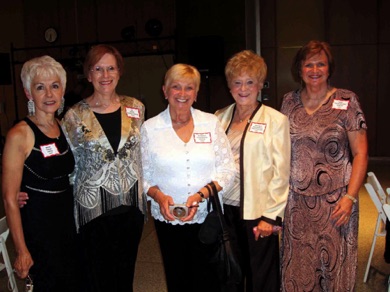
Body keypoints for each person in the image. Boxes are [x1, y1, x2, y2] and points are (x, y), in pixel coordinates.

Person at [280, 40, 368, 291]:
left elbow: (360, 153)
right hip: (296, 202)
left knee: (334, 267)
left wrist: (350, 197)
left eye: (321, 64)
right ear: (300, 69)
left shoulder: (347, 101)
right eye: (309, 64)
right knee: (298, 267)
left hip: (336, 201)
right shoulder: (289, 102)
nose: (315, 70)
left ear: (330, 69)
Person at [141, 63, 236, 292]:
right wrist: (159, 196)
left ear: (196, 93)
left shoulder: (210, 123)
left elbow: (227, 169)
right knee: (177, 278)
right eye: (176, 87)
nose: (182, 94)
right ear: (165, 91)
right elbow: (143, 176)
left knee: (208, 280)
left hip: (206, 218)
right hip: (168, 218)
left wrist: (201, 194)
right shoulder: (150, 128)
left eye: (189, 88)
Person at [61, 44, 146, 291]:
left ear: (119, 72)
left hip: (131, 208)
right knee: (97, 279)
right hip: (93, 211)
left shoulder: (136, 108)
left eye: (111, 68)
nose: (105, 75)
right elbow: (67, 164)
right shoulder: (74, 116)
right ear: (89, 74)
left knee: (125, 276)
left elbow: (144, 154)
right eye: (98, 69)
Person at [2, 55, 81, 291]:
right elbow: (9, 198)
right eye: (40, 87)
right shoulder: (20, 134)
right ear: (28, 93)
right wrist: (21, 250)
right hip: (39, 226)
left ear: (63, 90)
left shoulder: (63, 126)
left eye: (54, 86)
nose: (49, 94)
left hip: (67, 223)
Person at [214, 50, 291, 292]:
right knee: (231, 273)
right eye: (237, 82)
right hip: (224, 210)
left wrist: (271, 216)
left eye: (250, 82)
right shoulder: (218, 118)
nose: (243, 88)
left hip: (258, 213)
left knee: (261, 277)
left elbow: (281, 173)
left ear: (259, 85)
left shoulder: (275, 120)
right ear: (229, 86)